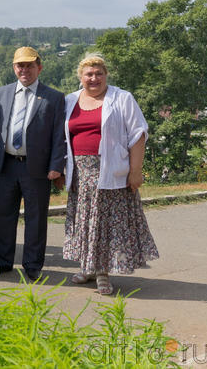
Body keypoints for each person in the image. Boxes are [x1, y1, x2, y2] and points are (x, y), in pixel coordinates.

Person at [63, 54, 158, 295]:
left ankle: (102, 272)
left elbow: (138, 135)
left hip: (110, 171)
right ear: (80, 77)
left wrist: (136, 172)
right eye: (89, 74)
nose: (94, 78)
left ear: (106, 75)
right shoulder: (70, 100)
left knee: (104, 225)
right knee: (85, 223)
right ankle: (88, 267)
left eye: (98, 74)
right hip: (80, 174)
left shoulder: (122, 98)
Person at [0, 47, 66, 281]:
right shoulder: (0, 93)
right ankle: (3, 261)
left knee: (36, 217)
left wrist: (56, 165)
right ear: (14, 68)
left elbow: (58, 134)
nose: (24, 70)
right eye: (20, 66)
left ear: (39, 68)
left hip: (37, 168)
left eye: (29, 65)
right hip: (7, 165)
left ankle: (33, 264)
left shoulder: (53, 97)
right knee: (4, 215)